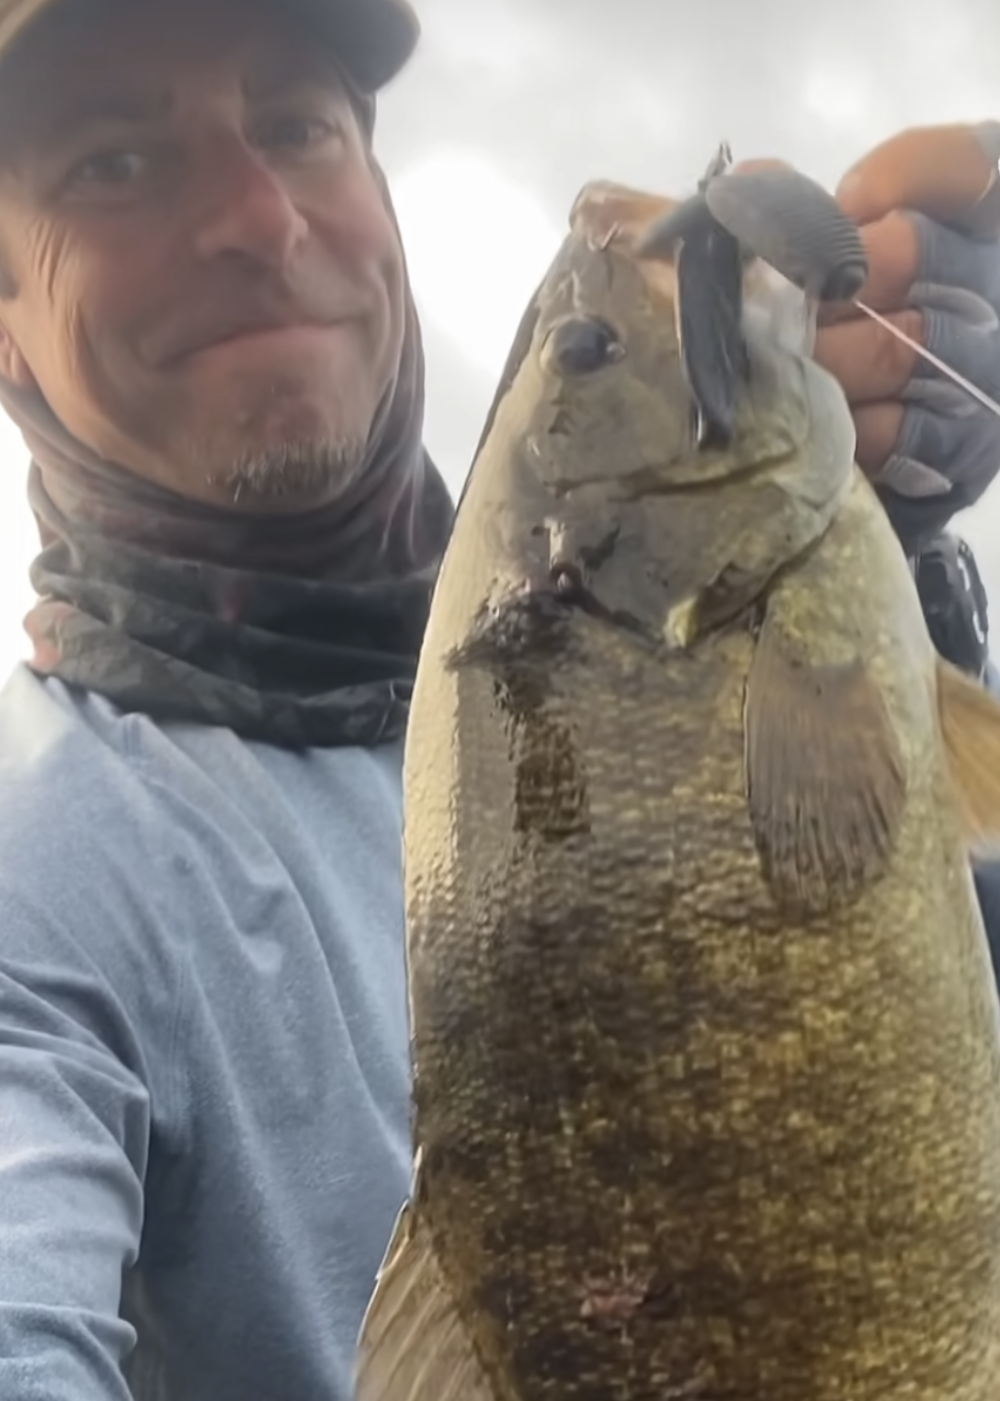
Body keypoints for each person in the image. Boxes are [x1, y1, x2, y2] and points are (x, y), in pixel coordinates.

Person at [0, 0, 996, 1394]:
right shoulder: (36, 876)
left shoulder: (643, 630)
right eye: (112, 163)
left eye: (296, 125)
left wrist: (902, 592)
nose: (257, 220)